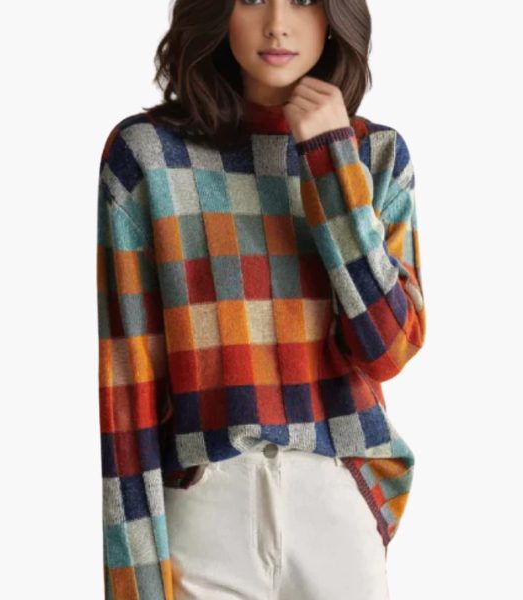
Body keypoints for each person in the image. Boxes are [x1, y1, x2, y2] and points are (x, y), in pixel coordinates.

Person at [96, 0, 426, 598]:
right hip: (204, 508)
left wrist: (331, 159)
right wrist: (135, 580)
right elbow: (129, 383)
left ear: (335, 14)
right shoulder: (148, 155)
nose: (277, 22)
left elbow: (388, 348)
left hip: (335, 499)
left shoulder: (374, 155)